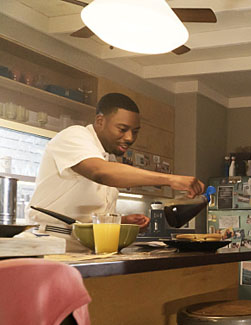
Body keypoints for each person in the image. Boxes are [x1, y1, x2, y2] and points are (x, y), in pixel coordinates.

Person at [29, 93, 205, 250]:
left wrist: (121, 221)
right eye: (122, 129)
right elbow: (100, 173)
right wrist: (170, 179)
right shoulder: (74, 135)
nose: (129, 138)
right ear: (100, 121)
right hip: (51, 244)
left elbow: (83, 215)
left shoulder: (108, 157)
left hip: (87, 247)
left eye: (135, 132)